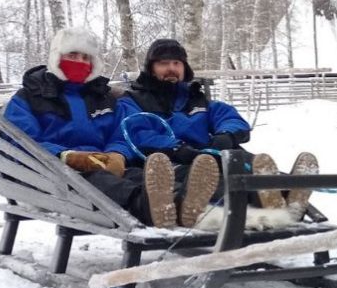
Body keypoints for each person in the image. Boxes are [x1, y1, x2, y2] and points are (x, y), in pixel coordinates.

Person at [2, 28, 218, 230]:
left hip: (103, 163)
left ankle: (183, 203)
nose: (80, 62)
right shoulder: (28, 98)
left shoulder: (103, 97)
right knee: (100, 180)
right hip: (55, 172)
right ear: (57, 57)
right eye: (73, 55)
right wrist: (67, 156)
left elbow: (122, 132)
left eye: (86, 58)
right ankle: (151, 209)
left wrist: (117, 154)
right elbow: (20, 141)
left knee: (138, 174)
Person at [115, 38, 318, 219]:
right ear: (151, 68)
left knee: (243, 161)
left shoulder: (197, 99)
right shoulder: (133, 100)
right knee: (211, 179)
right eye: (163, 64)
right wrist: (177, 147)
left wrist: (226, 134)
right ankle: (266, 204)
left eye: (176, 63)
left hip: (210, 154)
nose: (171, 68)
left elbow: (228, 116)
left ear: (184, 68)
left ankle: (287, 191)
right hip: (171, 160)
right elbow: (138, 133)